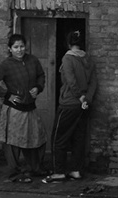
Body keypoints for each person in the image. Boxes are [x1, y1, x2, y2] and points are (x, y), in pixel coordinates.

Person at [0, 32, 47, 183]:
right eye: (16, 47)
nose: (19, 50)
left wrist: (38, 88)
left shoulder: (32, 60)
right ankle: (15, 172)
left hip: (30, 108)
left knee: (35, 138)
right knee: (14, 141)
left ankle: (35, 168)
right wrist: (7, 95)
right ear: (10, 49)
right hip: (14, 109)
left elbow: (41, 75)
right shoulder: (6, 65)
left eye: (21, 46)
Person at [42, 30, 97, 183]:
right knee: (79, 138)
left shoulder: (67, 58)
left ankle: (58, 172)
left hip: (69, 104)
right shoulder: (89, 59)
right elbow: (93, 82)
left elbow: (71, 81)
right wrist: (87, 99)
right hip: (84, 105)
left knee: (59, 138)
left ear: (67, 43)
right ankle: (76, 170)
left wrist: (80, 97)